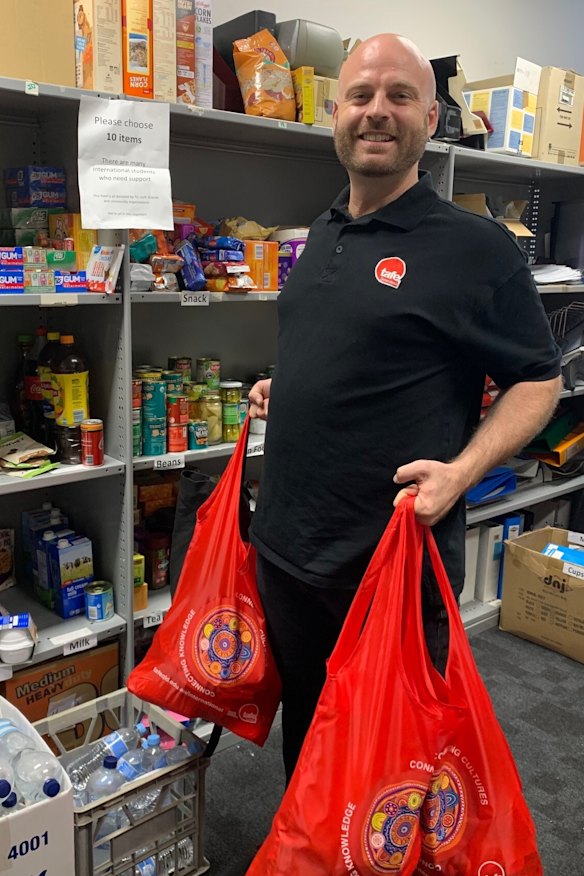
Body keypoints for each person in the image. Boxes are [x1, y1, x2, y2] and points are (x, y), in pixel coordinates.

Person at [248, 33, 562, 785]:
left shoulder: (474, 249)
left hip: (388, 565)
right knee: (311, 733)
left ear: (430, 116)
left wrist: (460, 472)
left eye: (398, 97)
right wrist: (285, 386)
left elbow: (539, 381)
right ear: (336, 114)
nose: (376, 113)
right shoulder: (323, 231)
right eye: (360, 96)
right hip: (290, 549)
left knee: (390, 757)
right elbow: (351, 346)